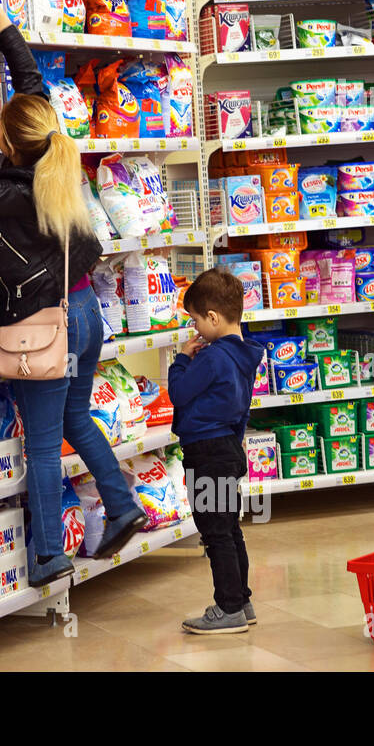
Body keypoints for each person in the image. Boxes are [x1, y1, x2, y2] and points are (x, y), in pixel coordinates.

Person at [0, 0, 145, 587]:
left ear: (9, 143)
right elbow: (30, 88)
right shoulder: (55, 159)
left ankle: (50, 555)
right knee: (79, 420)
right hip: (83, 310)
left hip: (41, 326)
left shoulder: (11, 192)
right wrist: (2, 21)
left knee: (43, 444)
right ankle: (123, 503)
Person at [167, 267, 266, 634]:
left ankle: (228, 609)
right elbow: (241, 409)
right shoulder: (244, 357)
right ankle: (241, 599)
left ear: (213, 317)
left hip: (205, 452)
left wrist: (181, 359)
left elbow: (178, 393)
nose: (195, 329)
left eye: (195, 320)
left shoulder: (211, 358)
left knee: (215, 532)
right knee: (229, 528)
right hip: (227, 447)